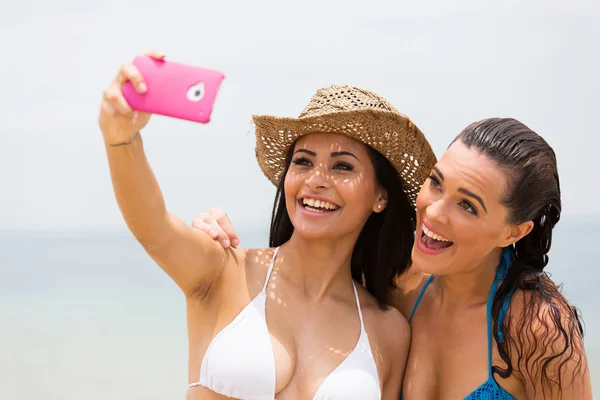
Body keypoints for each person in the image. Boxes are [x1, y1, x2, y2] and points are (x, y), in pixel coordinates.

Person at [98, 51, 437, 399]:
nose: (316, 180)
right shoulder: (225, 269)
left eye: (342, 167)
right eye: (303, 162)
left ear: (380, 196)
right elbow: (152, 226)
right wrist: (121, 139)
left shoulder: (389, 332)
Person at [193, 118, 592, 399]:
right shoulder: (400, 289)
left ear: (514, 232)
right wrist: (216, 242)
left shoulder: (533, 326)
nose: (434, 212)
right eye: (435, 184)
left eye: (467, 207)